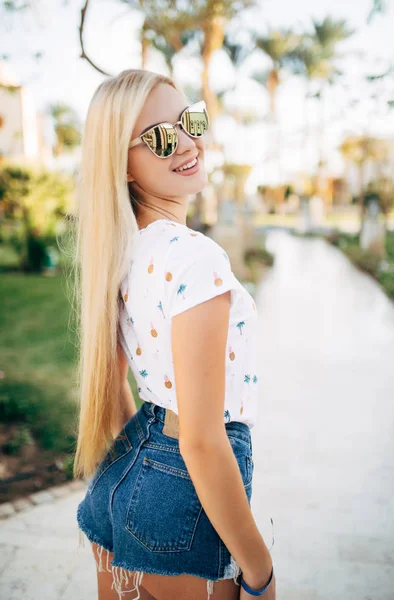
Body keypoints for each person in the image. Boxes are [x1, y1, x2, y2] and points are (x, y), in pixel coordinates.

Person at [73, 69, 275, 600]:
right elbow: (203, 441)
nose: (187, 143)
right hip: (184, 495)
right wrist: (261, 575)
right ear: (124, 166)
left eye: (190, 121)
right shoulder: (194, 258)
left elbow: (118, 393)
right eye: (161, 138)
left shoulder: (121, 252)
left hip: (125, 471)